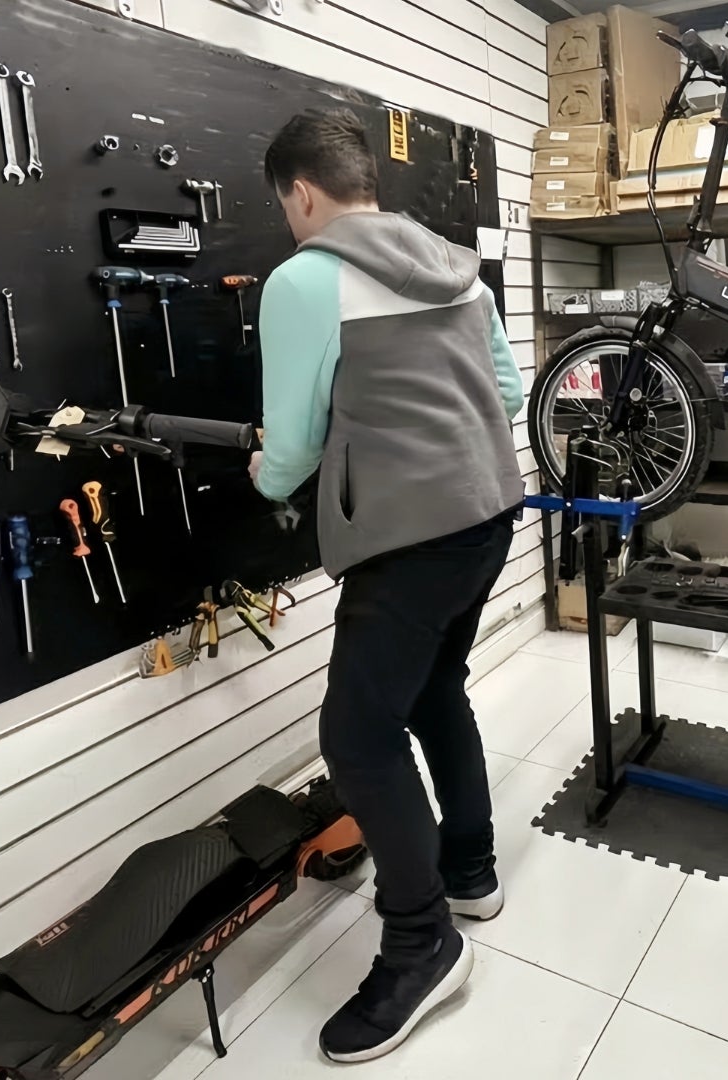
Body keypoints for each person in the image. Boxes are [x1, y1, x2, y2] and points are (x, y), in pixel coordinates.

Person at [248, 109, 524, 1063]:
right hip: (488, 512)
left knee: (359, 738)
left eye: (284, 204)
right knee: (436, 688)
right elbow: (507, 393)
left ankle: (422, 945)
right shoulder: (456, 265)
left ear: (302, 192)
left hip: (409, 538)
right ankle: (471, 872)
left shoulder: (304, 279)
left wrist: (270, 476)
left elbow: (291, 446)